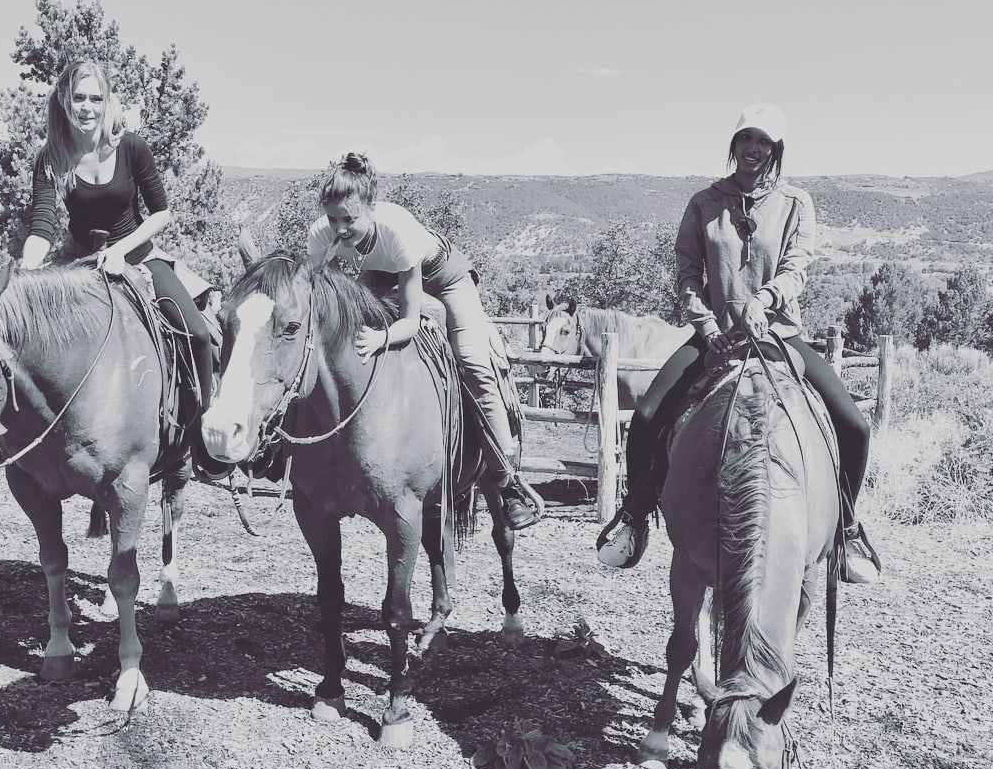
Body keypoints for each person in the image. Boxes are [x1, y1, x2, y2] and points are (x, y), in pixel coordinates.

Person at [596, 104, 880, 584]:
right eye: (746, 138)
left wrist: (765, 300)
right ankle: (633, 517)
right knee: (647, 417)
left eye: (763, 142)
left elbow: (797, 267)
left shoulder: (796, 204)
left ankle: (846, 529)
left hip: (778, 335)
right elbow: (687, 271)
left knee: (854, 426)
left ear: (776, 150)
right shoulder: (705, 202)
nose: (753, 149)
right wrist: (704, 324)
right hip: (713, 336)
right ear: (735, 144)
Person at [306, 152, 542, 530]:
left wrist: (381, 337)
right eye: (334, 219)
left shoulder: (397, 231)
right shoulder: (322, 234)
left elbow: (411, 320)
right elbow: (331, 299)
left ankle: (507, 477)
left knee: (473, 362)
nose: (341, 228)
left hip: (443, 277)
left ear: (371, 207)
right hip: (382, 279)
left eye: (350, 219)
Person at [20, 59, 220, 476]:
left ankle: (203, 430)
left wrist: (122, 249)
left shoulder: (131, 146)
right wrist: (28, 268)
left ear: (107, 100)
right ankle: (11, 432)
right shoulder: (52, 157)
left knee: (198, 334)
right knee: (24, 331)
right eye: (79, 97)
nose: (87, 107)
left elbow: (161, 213)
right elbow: (43, 220)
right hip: (80, 260)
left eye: (96, 97)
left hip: (139, 255)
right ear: (64, 100)